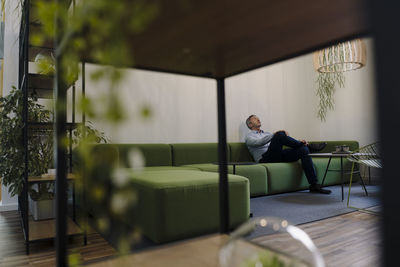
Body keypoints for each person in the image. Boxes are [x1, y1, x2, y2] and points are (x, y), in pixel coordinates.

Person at [244, 115, 331, 194]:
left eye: (258, 117)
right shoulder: (249, 136)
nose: (258, 119)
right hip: (264, 159)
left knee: (303, 150)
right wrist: (275, 135)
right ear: (250, 124)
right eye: (255, 118)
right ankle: (308, 146)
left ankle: (313, 184)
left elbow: (277, 142)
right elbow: (258, 142)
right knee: (279, 134)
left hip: (277, 155)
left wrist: (277, 135)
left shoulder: (267, 133)